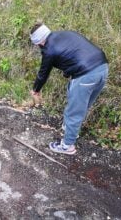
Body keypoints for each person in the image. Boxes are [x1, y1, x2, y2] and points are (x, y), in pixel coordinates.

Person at [29, 23, 109, 155]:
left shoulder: (49, 49)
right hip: (102, 68)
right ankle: (69, 128)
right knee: (80, 102)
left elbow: (43, 73)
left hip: (86, 75)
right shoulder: (66, 34)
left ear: (39, 42)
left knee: (75, 111)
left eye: (37, 45)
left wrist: (36, 89)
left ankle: (67, 146)